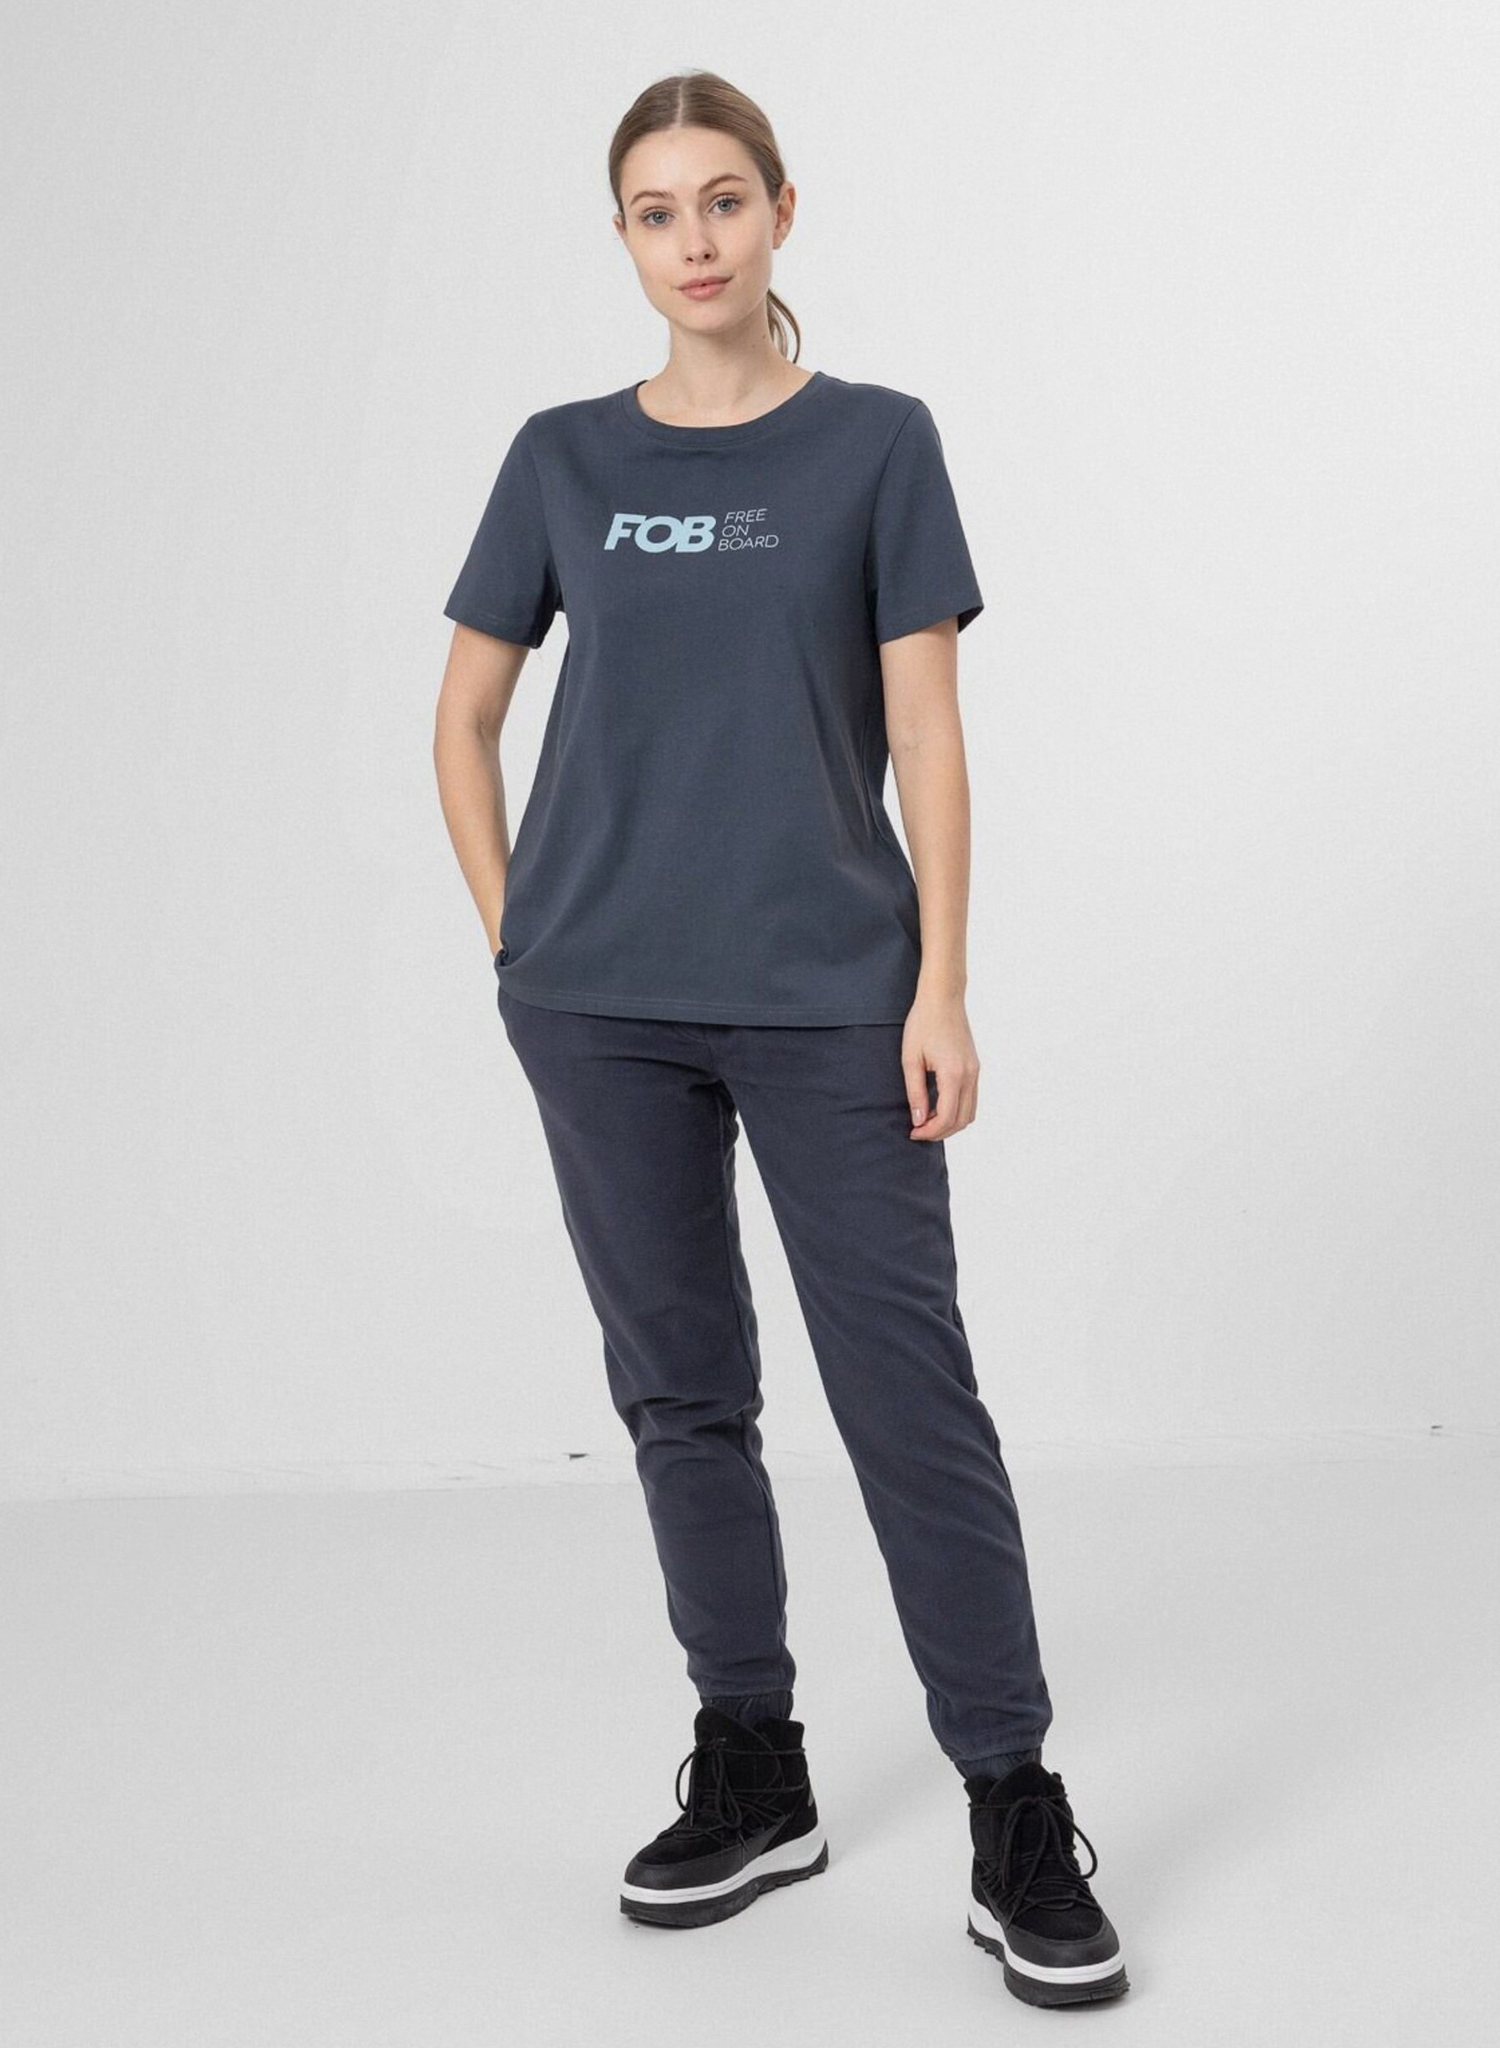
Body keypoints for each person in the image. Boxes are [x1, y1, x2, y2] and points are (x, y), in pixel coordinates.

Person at [432, 68, 1127, 2007]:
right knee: (683, 1394)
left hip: (835, 996)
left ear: (782, 211)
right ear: (626, 238)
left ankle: (1012, 1798)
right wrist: (520, 942)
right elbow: (463, 719)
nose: (697, 239)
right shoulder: (560, 459)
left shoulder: (877, 444)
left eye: (724, 199)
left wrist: (942, 982)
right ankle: (754, 1759)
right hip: (602, 1009)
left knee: (910, 1397)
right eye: (657, 211)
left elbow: (926, 735)